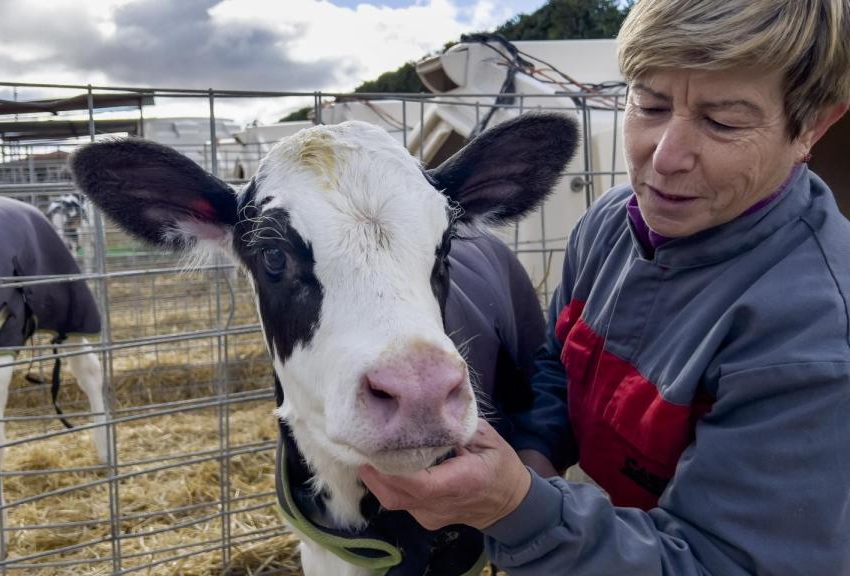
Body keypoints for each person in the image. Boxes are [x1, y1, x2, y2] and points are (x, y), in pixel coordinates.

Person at [358, 1, 850, 574]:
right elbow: (559, 364)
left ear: (811, 127)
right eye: (648, 104)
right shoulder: (612, 221)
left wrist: (517, 509)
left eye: (724, 122)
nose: (663, 159)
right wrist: (532, 461)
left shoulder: (816, 335)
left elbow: (724, 563)